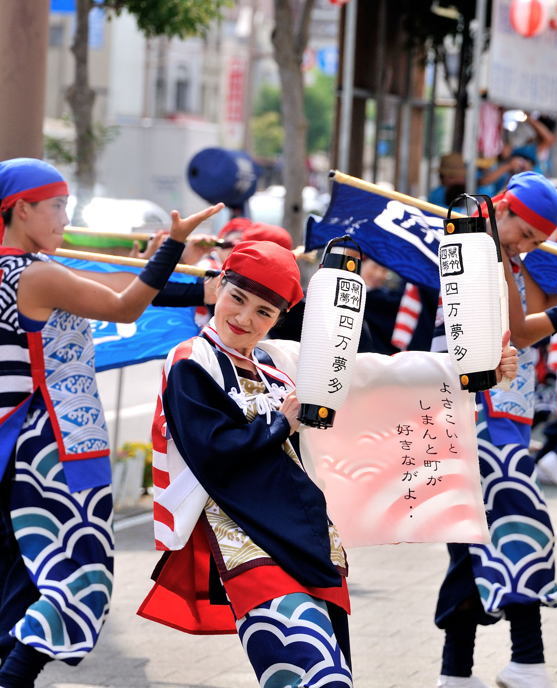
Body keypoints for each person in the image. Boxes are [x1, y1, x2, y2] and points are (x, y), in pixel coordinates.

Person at [0, 157, 220, 687]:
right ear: (22, 209)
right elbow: (123, 307)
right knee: (78, 574)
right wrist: (173, 244)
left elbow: (108, 288)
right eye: (55, 207)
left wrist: (154, 267)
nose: (63, 218)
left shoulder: (25, 271)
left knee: (19, 579)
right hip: (48, 445)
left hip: (13, 442)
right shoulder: (34, 273)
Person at [434, 173, 557, 688]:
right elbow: (524, 332)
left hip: (491, 414)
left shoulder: (501, 256)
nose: (523, 244)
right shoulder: (479, 251)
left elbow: (529, 321)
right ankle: (527, 661)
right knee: (521, 526)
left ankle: (457, 673)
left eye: (535, 240)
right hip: (480, 413)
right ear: (499, 207)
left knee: (473, 542)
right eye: (521, 230)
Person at [138, 241, 354, 686]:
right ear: (219, 286)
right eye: (237, 299)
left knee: (333, 676)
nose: (244, 319)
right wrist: (282, 423)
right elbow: (211, 449)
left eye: (264, 313)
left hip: (308, 537)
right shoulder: (191, 360)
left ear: (278, 320)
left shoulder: (277, 365)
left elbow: (369, 369)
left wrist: (471, 367)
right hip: (242, 535)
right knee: (315, 676)